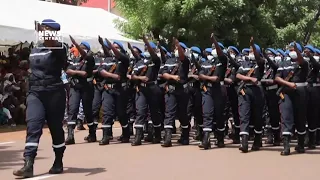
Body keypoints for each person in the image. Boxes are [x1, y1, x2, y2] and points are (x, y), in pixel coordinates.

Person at [13, 19, 67, 178]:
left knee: (55, 128)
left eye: (46, 29)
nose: (42, 32)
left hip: (54, 92)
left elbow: (53, 46)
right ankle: (28, 165)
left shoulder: (60, 47)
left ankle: (58, 161)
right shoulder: (35, 48)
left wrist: (44, 30)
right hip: (36, 92)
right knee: (33, 126)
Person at [275, 42, 308, 155]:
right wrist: (288, 84)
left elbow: (301, 61)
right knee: (286, 117)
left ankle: (301, 145)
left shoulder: (303, 62)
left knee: (300, 118)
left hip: (300, 93)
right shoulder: (284, 62)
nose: (291, 52)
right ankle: (286, 147)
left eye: (293, 49)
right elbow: (277, 78)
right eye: (290, 50)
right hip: (287, 93)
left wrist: (298, 52)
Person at [97, 38, 131, 145]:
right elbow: (100, 70)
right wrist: (111, 75)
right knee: (107, 112)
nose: (113, 50)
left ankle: (126, 134)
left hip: (120, 89)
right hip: (108, 89)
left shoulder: (124, 59)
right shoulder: (108, 59)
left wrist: (110, 45)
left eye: (116, 48)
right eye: (113, 47)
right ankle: (106, 136)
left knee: (121, 113)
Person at [131, 37, 162, 145]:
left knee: (154, 113)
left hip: (153, 88)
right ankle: (138, 137)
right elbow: (133, 76)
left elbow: (154, 56)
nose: (146, 49)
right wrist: (140, 78)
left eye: (148, 48)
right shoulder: (139, 62)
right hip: (142, 89)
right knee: (140, 112)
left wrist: (147, 42)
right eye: (145, 48)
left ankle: (157, 135)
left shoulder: (156, 61)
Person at [198, 33, 228, 149]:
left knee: (219, 115)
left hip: (219, 90)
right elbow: (200, 75)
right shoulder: (206, 63)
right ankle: (206, 140)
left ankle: (220, 139)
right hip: (208, 89)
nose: (214, 49)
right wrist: (210, 78)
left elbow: (204, 76)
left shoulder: (222, 61)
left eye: (216, 48)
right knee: (207, 113)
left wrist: (215, 41)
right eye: (213, 48)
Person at [236, 37, 265, 153]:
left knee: (258, 117)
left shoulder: (260, 63)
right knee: (244, 115)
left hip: (257, 91)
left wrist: (253, 44)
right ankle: (244, 143)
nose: (250, 53)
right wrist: (249, 78)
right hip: (245, 91)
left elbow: (259, 60)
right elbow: (238, 75)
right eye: (250, 51)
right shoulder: (244, 63)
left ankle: (257, 140)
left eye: (253, 51)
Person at [65, 39, 95, 144]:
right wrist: (77, 72)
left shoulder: (90, 59)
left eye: (81, 48)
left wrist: (74, 72)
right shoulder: (74, 60)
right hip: (75, 87)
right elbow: (68, 71)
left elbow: (85, 74)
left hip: (86, 87)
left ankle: (92, 133)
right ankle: (70, 135)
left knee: (87, 110)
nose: (78, 50)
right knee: (72, 109)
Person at [161, 38, 190, 147]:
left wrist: (179, 45)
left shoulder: (185, 60)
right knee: (169, 113)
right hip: (171, 90)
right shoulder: (169, 61)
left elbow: (182, 56)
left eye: (180, 48)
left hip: (182, 90)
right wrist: (172, 76)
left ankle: (185, 137)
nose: (178, 49)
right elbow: (163, 73)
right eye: (177, 48)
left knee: (183, 114)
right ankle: (167, 138)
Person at [261, 48, 281, 146]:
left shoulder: (276, 66)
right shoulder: (266, 68)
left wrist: (266, 56)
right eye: (267, 54)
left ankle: (277, 137)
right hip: (266, 92)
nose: (268, 56)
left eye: (270, 54)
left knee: (274, 115)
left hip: (274, 93)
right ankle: (269, 136)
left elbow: (274, 66)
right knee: (267, 115)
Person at [225, 46, 241, 144]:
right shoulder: (226, 65)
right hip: (225, 92)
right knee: (225, 113)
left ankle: (237, 134)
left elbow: (231, 80)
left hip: (234, 91)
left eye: (231, 52)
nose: (229, 54)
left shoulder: (236, 65)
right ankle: (226, 132)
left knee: (235, 113)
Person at [304, 45, 319, 149]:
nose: (306, 53)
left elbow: (317, 66)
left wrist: (311, 57)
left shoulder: (314, 63)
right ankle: (305, 139)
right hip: (303, 90)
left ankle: (312, 140)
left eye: (308, 51)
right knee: (304, 114)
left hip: (313, 90)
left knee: (312, 115)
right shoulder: (302, 63)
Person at [188, 46, 203, 141]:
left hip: (198, 89)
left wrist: (192, 75)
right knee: (188, 109)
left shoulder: (201, 63)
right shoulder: (190, 64)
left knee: (198, 111)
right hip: (190, 88)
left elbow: (200, 77)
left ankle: (200, 132)